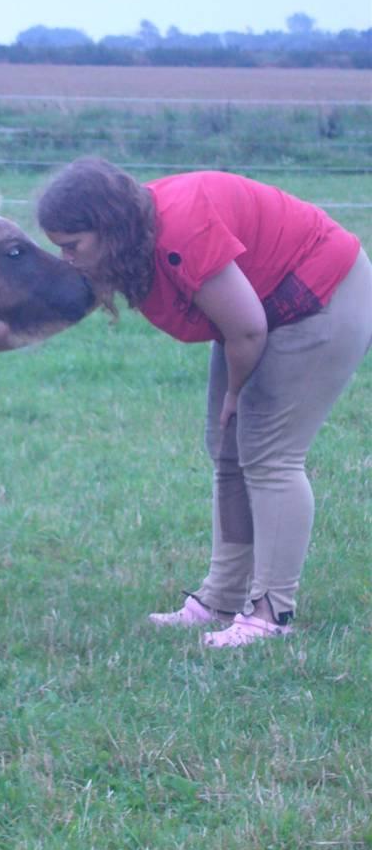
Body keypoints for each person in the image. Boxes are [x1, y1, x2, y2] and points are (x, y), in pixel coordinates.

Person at [34, 157, 371, 648]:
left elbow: (249, 328)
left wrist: (236, 392)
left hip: (323, 296)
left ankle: (271, 613)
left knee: (270, 455)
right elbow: (241, 319)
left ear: (106, 227)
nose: (67, 258)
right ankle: (223, 596)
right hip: (264, 306)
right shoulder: (137, 230)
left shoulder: (179, 235)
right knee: (227, 450)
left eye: (72, 246)